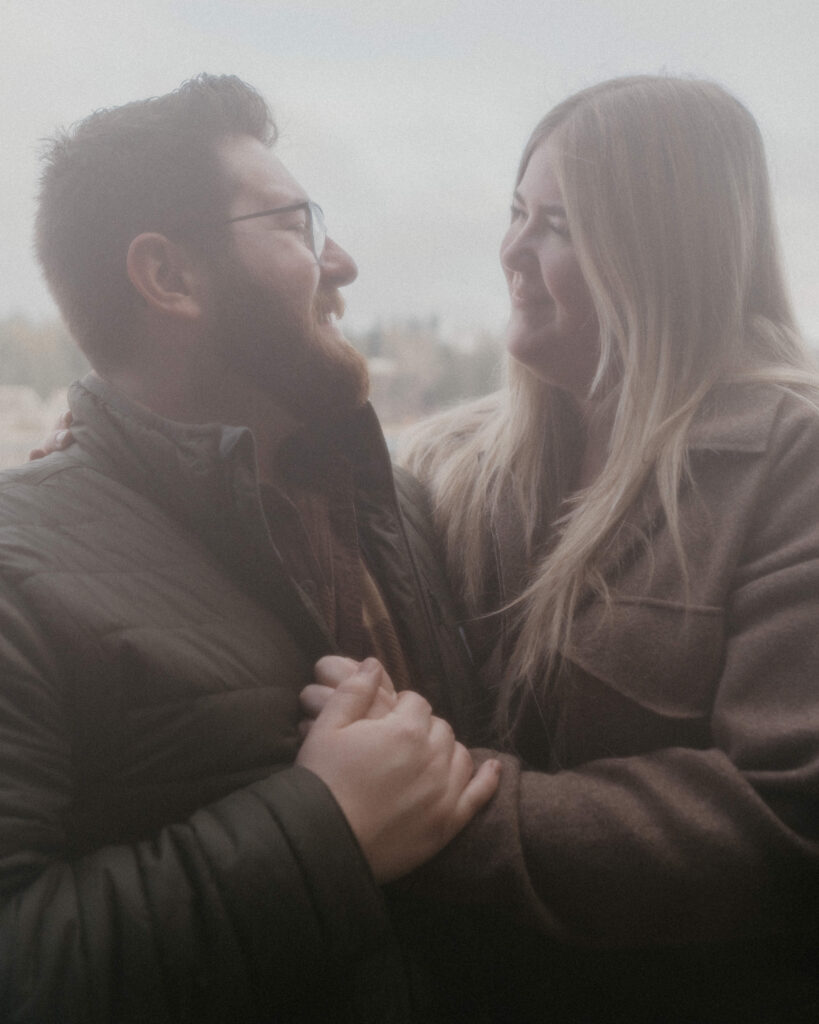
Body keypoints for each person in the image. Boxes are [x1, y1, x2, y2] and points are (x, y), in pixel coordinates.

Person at [313, 77, 819, 1022]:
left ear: (661, 251)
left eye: (559, 224)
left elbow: (783, 815)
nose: (508, 251)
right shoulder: (446, 463)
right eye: (515, 212)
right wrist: (122, 469)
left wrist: (429, 816)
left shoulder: (793, 465)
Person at [0, 74, 500, 1024]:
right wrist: (326, 835)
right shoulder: (16, 567)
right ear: (171, 278)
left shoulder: (395, 509)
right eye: (297, 225)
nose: (342, 262)